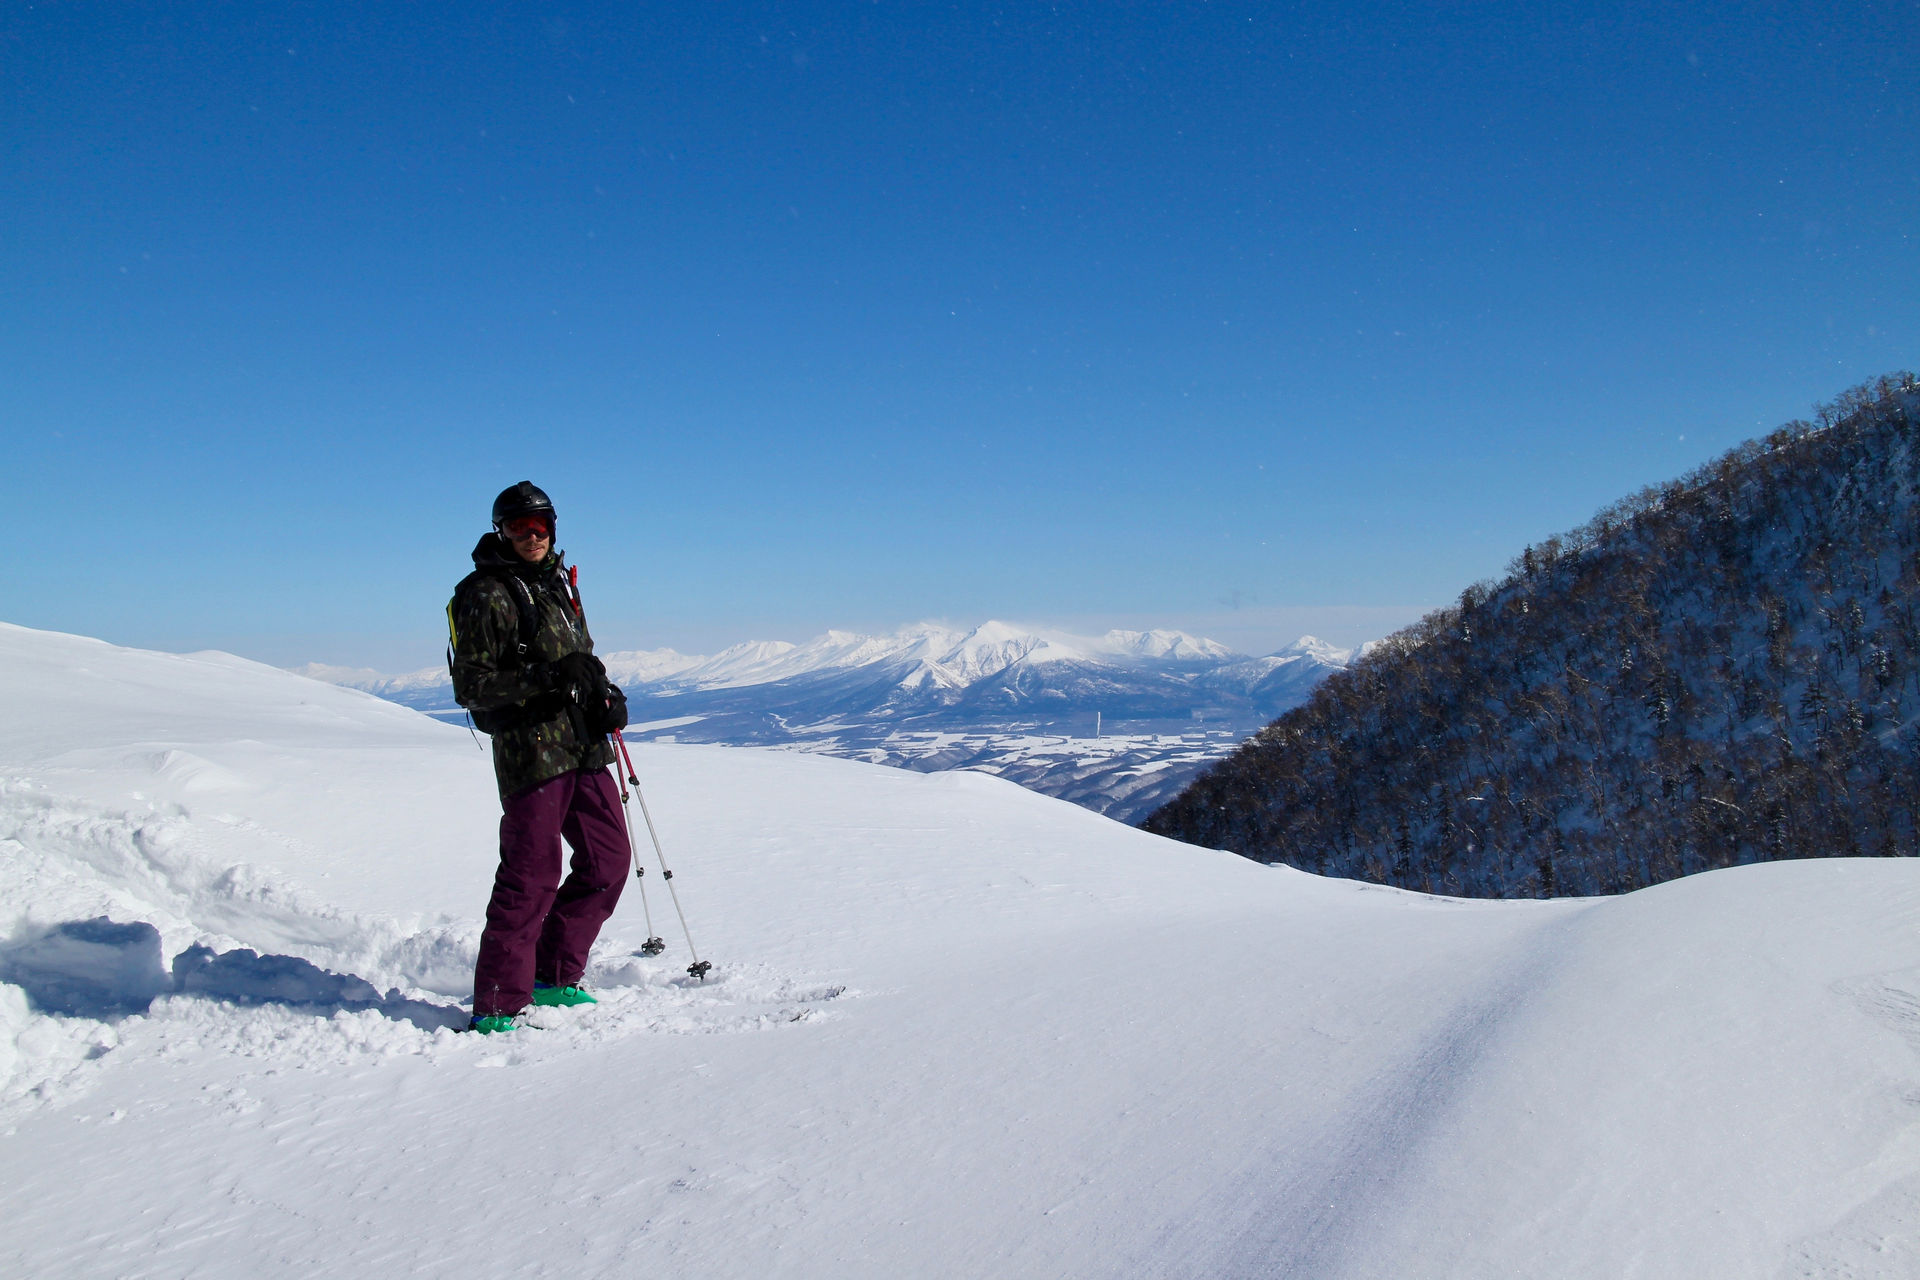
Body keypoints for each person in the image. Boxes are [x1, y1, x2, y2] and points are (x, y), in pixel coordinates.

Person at [447, 481, 630, 1033]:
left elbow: (582, 659)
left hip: (582, 744)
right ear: (501, 529)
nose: (533, 535)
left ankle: (553, 976)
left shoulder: (559, 584)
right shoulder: (486, 593)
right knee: (531, 875)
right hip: (532, 753)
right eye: (520, 526)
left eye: (542, 525)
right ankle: (498, 1003)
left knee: (607, 862)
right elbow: (472, 687)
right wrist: (550, 677)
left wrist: (605, 696)